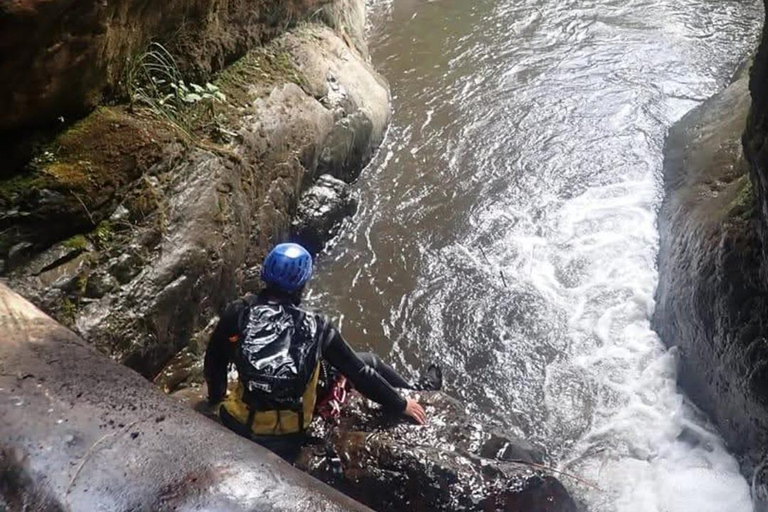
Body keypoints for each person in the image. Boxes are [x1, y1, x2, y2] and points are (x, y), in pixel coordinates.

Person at [204, 242, 441, 461]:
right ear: (302, 284)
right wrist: (400, 404)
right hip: (287, 438)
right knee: (369, 360)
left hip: (238, 422)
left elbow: (214, 360)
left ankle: (414, 391)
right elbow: (359, 373)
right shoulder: (317, 325)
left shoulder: (239, 311)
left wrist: (215, 399)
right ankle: (418, 392)